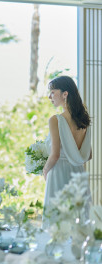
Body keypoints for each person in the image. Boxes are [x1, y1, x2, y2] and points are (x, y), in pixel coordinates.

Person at [43, 76, 92, 227]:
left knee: (57, 224)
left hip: (59, 174)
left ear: (65, 94)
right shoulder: (84, 119)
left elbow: (55, 154)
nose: (50, 96)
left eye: (53, 92)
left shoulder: (56, 120)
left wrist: (45, 170)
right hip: (78, 173)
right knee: (79, 224)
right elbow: (88, 154)